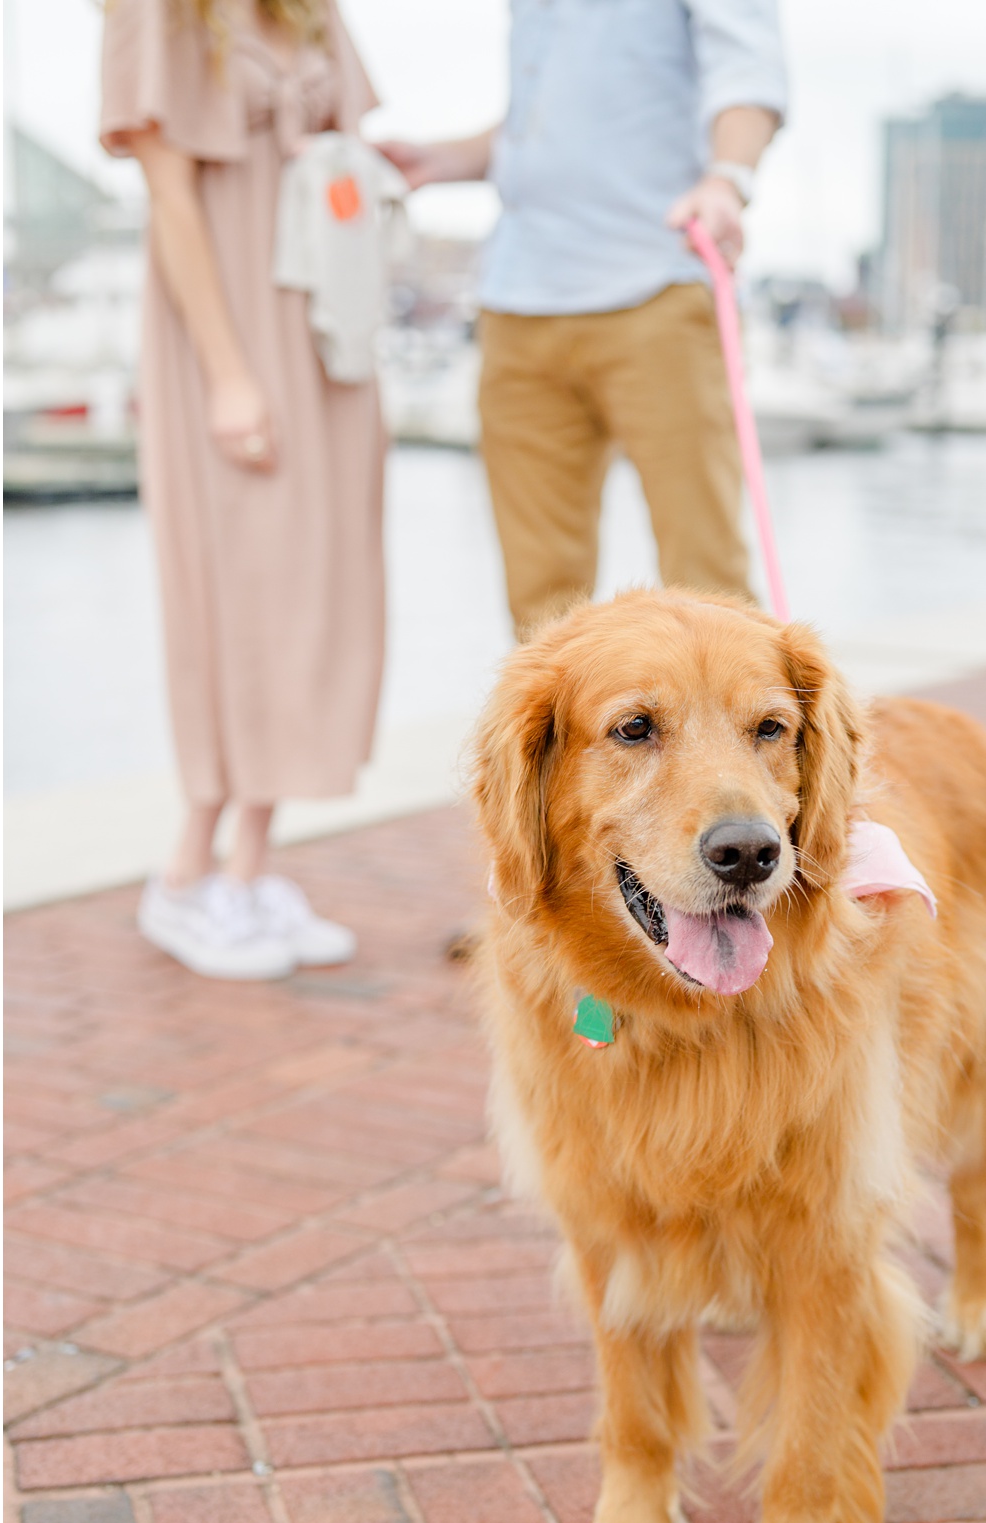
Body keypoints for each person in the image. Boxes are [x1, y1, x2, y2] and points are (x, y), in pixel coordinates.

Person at [102, 0, 384, 981]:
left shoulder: (306, 12)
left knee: (322, 584)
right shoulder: (158, 14)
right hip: (223, 324)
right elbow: (170, 198)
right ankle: (186, 872)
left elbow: (349, 144)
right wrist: (228, 373)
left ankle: (252, 866)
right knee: (240, 586)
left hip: (325, 316)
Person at [381, 0, 787, 641]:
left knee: (710, 587)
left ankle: (729, 740)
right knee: (540, 609)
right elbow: (553, 119)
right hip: (517, 300)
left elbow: (749, 74)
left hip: (654, 286)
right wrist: (445, 159)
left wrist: (727, 180)